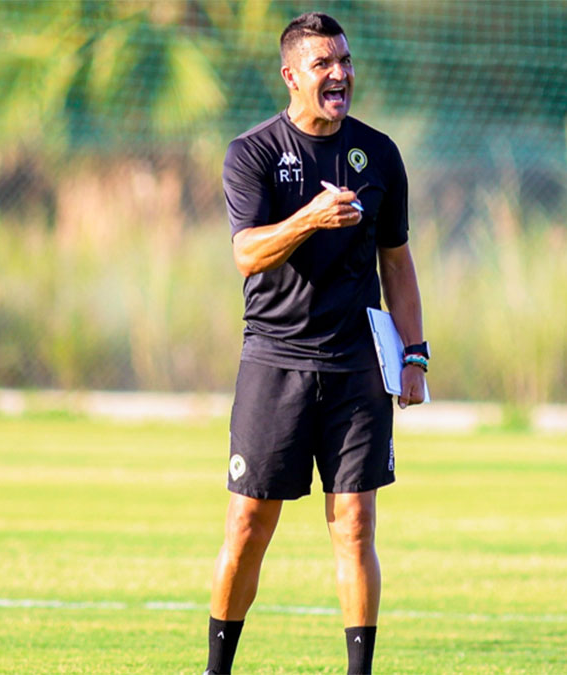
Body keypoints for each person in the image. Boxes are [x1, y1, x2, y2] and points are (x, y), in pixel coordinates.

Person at [205, 12, 427, 675]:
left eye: (347, 62)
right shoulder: (253, 153)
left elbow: (398, 261)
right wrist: (309, 216)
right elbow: (248, 253)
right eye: (325, 64)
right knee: (249, 526)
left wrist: (414, 354)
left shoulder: (379, 154)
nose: (341, 75)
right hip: (274, 362)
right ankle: (218, 668)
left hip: (357, 367)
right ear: (291, 75)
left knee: (355, 523)